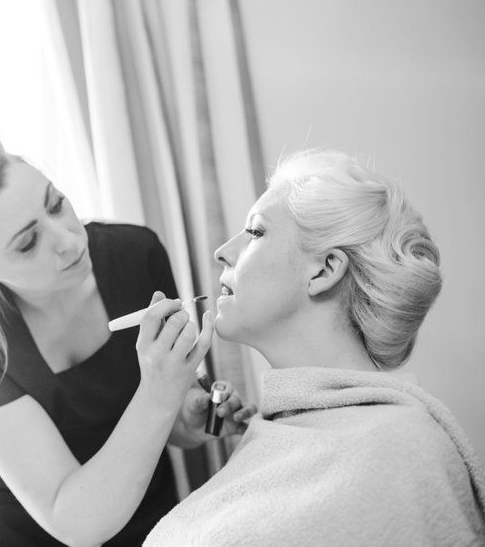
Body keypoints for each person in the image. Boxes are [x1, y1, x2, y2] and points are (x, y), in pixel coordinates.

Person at [0, 133, 255, 546]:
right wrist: (159, 394)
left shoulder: (136, 255)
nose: (69, 240)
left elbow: (168, 422)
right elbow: (74, 521)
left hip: (137, 514)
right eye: (27, 243)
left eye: (56, 204)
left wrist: (186, 415)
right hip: (9, 530)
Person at [144, 149, 485, 546]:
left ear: (324, 271)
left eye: (255, 232)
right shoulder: (275, 435)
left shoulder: (402, 449)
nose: (222, 251)